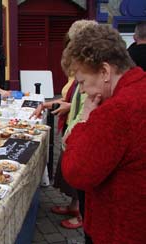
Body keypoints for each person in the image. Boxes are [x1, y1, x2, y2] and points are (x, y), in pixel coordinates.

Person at [61, 24, 146, 244]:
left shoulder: (116, 110)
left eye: (82, 82)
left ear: (105, 72)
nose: (82, 90)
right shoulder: (139, 87)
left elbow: (75, 172)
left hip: (120, 230)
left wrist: (84, 119)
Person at [31, 20, 97, 234]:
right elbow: (74, 99)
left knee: (81, 177)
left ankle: (81, 215)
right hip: (71, 127)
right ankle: (73, 206)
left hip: (80, 135)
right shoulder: (83, 71)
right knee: (71, 178)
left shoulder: (95, 72)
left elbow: (86, 105)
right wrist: (54, 103)